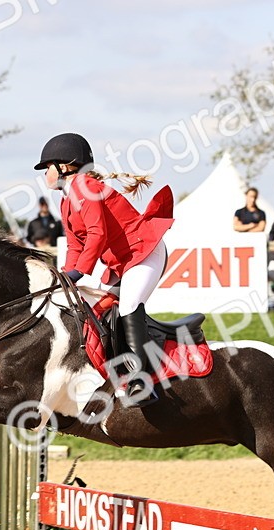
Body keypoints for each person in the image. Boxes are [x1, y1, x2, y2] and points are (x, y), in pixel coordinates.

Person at [34, 132, 174, 406]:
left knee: (130, 305)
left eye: (48, 167)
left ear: (66, 165)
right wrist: (64, 275)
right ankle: (115, 369)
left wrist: (80, 273)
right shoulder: (66, 200)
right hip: (122, 262)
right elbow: (76, 244)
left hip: (144, 252)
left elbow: (97, 235)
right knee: (100, 309)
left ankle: (141, 380)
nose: (46, 174)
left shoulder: (86, 187)